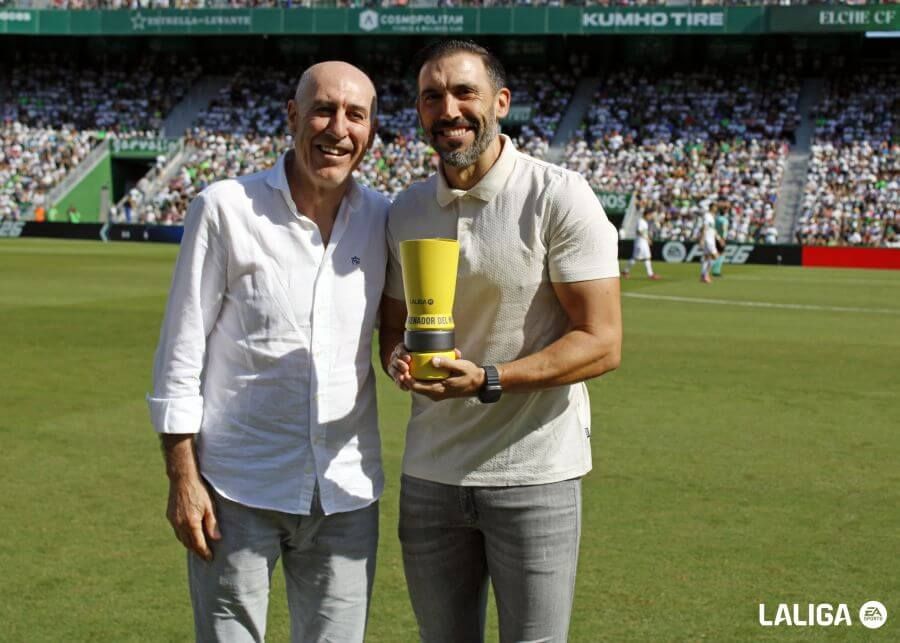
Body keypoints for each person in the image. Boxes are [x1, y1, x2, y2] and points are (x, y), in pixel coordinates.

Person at [379, 40, 622, 643]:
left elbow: (602, 341)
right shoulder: (405, 209)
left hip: (534, 473)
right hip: (430, 477)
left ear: (501, 102)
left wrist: (490, 379)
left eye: (465, 92)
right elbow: (393, 328)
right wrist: (397, 360)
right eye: (432, 97)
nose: (449, 110)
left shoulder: (557, 194)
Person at [147, 61, 388, 643]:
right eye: (323, 110)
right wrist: (183, 479)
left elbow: (400, 328)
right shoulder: (224, 207)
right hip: (236, 489)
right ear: (293, 116)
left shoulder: (384, 218)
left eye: (355, 115)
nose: (338, 129)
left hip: (345, 493)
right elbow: (180, 352)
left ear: (371, 131)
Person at [622, 210, 661, 280]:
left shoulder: (645, 222)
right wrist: (647, 239)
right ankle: (625, 271)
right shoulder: (641, 221)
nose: (650, 217)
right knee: (635, 258)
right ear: (646, 215)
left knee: (647, 257)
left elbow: (644, 232)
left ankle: (650, 274)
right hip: (640, 242)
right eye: (650, 215)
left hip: (643, 242)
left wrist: (647, 239)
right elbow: (639, 231)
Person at [698, 207, 720, 284]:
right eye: (715, 207)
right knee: (715, 256)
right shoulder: (707, 216)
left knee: (707, 257)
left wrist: (718, 238)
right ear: (712, 208)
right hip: (708, 240)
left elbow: (712, 229)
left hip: (710, 239)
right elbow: (704, 227)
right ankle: (706, 275)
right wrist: (702, 239)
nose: (716, 208)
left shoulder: (711, 217)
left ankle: (702, 276)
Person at [711, 206, 729, 277]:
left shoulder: (716, 219)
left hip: (715, 237)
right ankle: (716, 271)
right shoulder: (724, 220)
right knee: (721, 254)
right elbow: (724, 229)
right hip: (721, 238)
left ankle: (713, 269)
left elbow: (714, 228)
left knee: (716, 254)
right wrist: (723, 239)